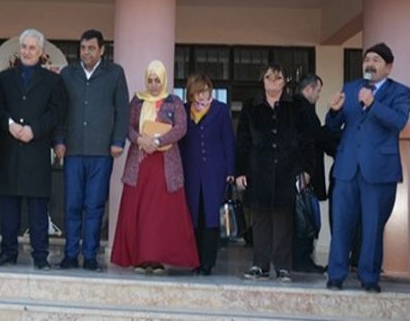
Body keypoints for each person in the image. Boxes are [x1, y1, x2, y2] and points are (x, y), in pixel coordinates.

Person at [325, 43, 410, 293]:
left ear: (388, 66)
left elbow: (399, 121)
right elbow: (333, 126)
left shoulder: (400, 92)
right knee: (341, 224)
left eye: (376, 60)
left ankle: (369, 277)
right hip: (347, 167)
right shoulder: (350, 88)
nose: (369, 64)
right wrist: (333, 111)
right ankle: (336, 275)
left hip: (379, 170)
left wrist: (373, 104)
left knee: (373, 226)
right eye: (367, 59)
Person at [111, 60, 197, 274]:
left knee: (159, 213)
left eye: (157, 80)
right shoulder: (137, 101)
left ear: (164, 80)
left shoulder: (174, 101)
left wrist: (157, 141)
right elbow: (127, 126)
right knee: (139, 211)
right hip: (139, 162)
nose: (154, 84)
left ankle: (157, 259)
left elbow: (181, 128)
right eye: (150, 80)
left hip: (165, 164)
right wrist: (140, 140)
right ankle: (140, 258)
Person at [54, 29, 129, 272]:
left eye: (91, 48)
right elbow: (60, 111)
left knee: (95, 205)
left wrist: (118, 140)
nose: (86, 52)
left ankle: (90, 256)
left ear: (102, 50)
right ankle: (70, 254)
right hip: (73, 149)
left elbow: (122, 110)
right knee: (72, 204)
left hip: (101, 151)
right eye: (83, 48)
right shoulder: (68, 74)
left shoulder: (115, 73)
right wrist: (59, 140)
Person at [0, 29, 66, 270]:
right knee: (9, 206)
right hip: (10, 148)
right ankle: (8, 252)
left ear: (41, 52)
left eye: (32, 48)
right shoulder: (3, 78)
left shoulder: (53, 80)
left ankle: (40, 255)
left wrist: (34, 129)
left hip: (36, 148)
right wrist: (10, 125)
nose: (27, 51)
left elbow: (56, 112)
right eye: (24, 47)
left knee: (37, 206)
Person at [235, 63, 312, 283]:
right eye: (268, 78)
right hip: (258, 170)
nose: (273, 82)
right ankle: (260, 264)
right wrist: (240, 171)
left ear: (284, 82)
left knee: (283, 221)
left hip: (287, 171)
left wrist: (306, 170)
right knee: (260, 220)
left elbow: (307, 140)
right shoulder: (251, 106)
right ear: (263, 80)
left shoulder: (296, 105)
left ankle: (282, 267)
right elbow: (242, 141)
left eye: (277, 78)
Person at [178, 74, 235, 275]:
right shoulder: (185, 111)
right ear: (191, 94)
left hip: (215, 170)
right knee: (194, 216)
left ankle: (208, 263)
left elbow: (228, 139)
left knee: (211, 216)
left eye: (205, 91)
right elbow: (180, 143)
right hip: (191, 170)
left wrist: (230, 171)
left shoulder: (220, 110)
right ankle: (195, 260)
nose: (202, 96)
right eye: (198, 92)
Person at [292, 73, 333, 273]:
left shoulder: (296, 107)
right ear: (308, 89)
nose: (318, 96)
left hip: (302, 171)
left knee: (303, 215)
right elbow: (314, 137)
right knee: (305, 216)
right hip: (304, 173)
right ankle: (301, 259)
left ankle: (299, 258)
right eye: (317, 91)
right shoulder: (303, 108)